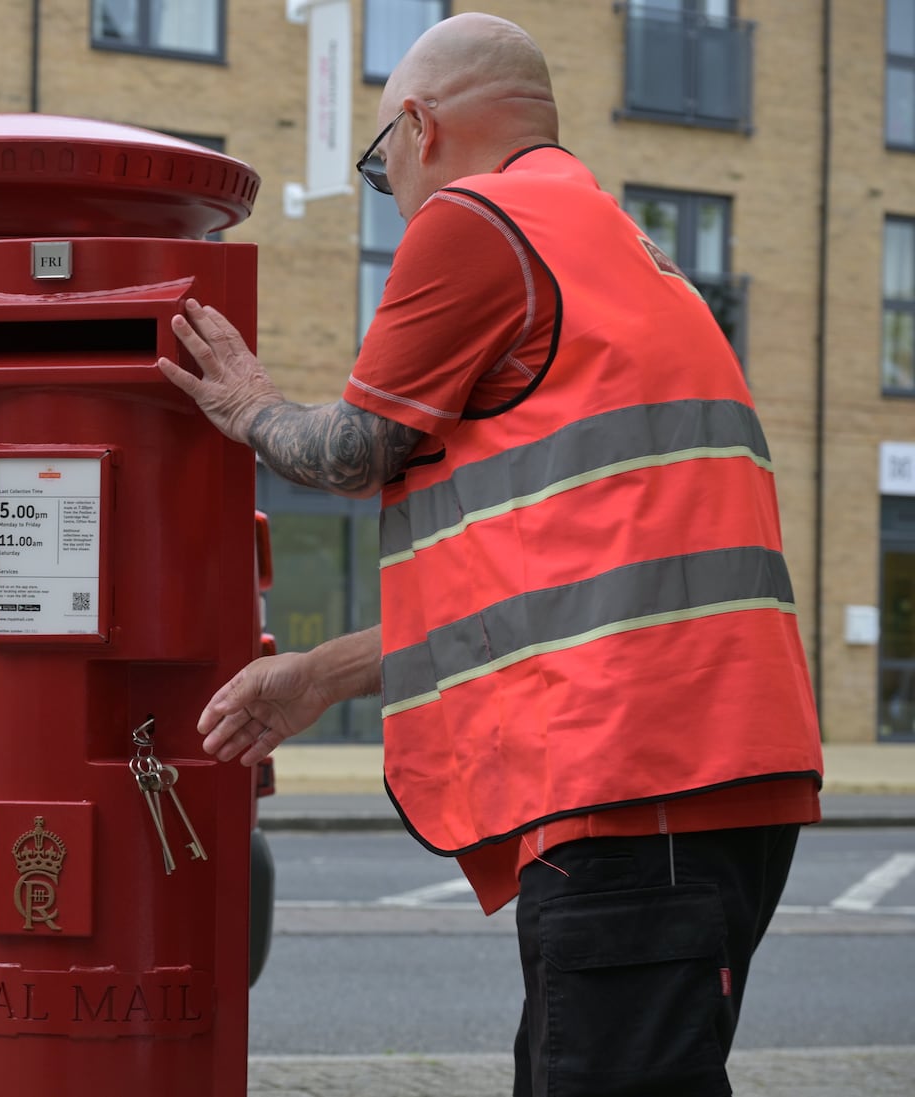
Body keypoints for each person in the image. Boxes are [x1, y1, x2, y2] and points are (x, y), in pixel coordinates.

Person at [157, 12, 825, 1097]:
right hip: (710, 775)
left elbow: (355, 449)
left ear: (417, 127)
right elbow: (550, 592)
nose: (397, 198)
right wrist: (321, 675)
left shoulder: (477, 220)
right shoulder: (624, 251)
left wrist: (247, 403)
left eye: (382, 169)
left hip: (630, 779)